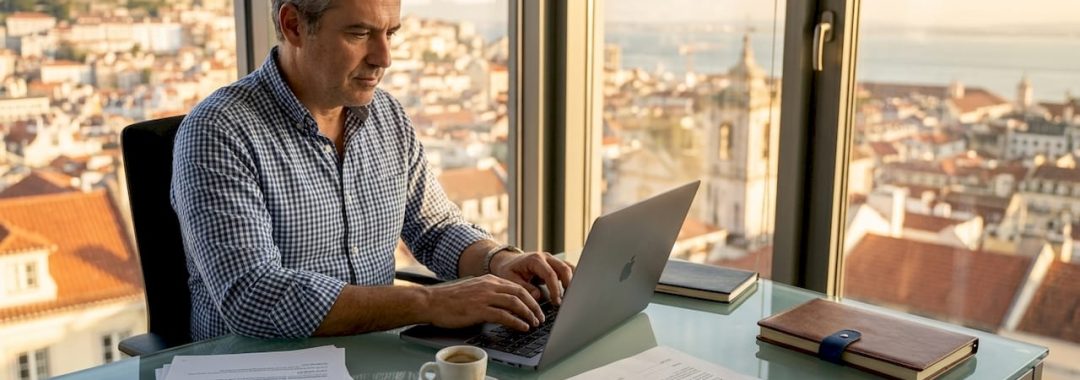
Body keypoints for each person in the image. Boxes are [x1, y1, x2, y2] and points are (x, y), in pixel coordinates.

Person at [171, 0, 573, 340]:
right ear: (294, 25)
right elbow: (253, 296)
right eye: (359, 34)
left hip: (375, 356)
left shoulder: (387, 115)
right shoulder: (217, 131)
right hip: (259, 364)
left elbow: (435, 229)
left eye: (390, 34)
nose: (384, 58)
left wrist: (497, 260)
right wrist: (431, 302)